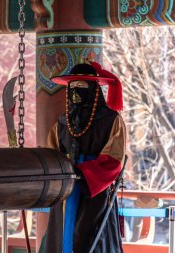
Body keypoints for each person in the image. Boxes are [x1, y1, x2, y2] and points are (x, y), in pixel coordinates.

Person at [44, 62, 126, 253]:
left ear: (93, 90)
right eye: (72, 86)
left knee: (88, 236)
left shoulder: (111, 120)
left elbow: (113, 160)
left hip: (93, 188)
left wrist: (82, 173)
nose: (75, 91)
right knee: (61, 234)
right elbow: (51, 154)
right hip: (64, 188)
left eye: (81, 87)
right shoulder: (63, 123)